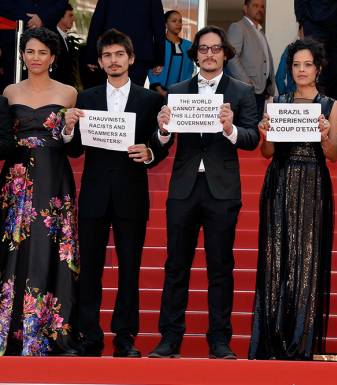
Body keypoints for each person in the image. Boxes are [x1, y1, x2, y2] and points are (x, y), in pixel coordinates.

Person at [148, 26, 259, 359]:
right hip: (183, 188)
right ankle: (169, 339)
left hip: (221, 190)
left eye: (215, 49)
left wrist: (231, 129)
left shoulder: (241, 92)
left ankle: (220, 340)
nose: (209, 54)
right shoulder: (178, 90)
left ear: (225, 53)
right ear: (195, 54)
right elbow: (161, 144)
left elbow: (252, 138)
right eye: (203, 49)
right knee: (175, 266)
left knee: (221, 267)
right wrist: (163, 130)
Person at [62, 29, 167, 358]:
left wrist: (152, 148)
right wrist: (67, 129)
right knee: (89, 269)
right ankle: (88, 335)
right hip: (93, 194)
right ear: (100, 61)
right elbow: (76, 150)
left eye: (119, 54)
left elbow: (159, 142)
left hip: (131, 194)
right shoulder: (86, 98)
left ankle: (125, 337)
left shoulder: (150, 100)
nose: (113, 60)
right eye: (107, 55)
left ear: (131, 59)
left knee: (130, 268)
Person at [250, 37, 337, 360]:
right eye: (296, 65)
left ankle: (300, 342)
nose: (302, 70)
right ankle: (271, 340)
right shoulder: (278, 101)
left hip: (313, 184)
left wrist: (323, 135)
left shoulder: (332, 106)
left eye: (308, 65)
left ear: (318, 69)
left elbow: (333, 156)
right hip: (279, 183)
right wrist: (265, 135)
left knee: (307, 261)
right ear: (290, 69)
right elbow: (267, 151)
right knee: (277, 259)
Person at [0, 27, 78, 356]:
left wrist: (70, 128)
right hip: (16, 181)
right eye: (30, 51)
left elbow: (73, 146)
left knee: (49, 251)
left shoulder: (69, 93)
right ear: (22, 54)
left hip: (54, 180)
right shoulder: (9, 91)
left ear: (53, 58)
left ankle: (46, 334)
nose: (35, 58)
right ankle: (11, 332)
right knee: (12, 252)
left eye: (42, 52)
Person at [86, 0, 165, 86]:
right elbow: (159, 28)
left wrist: (91, 56)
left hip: (112, 55)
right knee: (134, 93)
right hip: (141, 56)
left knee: (111, 91)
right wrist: (159, 60)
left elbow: (96, 26)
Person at [227, 0, 275, 121]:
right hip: (248, 90)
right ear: (245, 8)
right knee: (246, 128)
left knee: (256, 130)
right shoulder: (238, 27)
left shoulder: (260, 31)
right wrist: (247, 83)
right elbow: (231, 57)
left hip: (262, 91)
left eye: (262, 6)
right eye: (255, 5)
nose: (260, 9)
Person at [147, 10, 194, 98]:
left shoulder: (188, 45)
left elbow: (189, 70)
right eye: (174, 21)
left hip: (182, 95)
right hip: (158, 94)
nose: (178, 24)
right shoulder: (158, 44)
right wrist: (161, 91)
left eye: (180, 21)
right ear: (165, 24)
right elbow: (151, 70)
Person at [51, 3, 77, 88]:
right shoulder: (52, 38)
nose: (74, 19)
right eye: (70, 15)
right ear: (60, 17)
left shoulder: (63, 37)